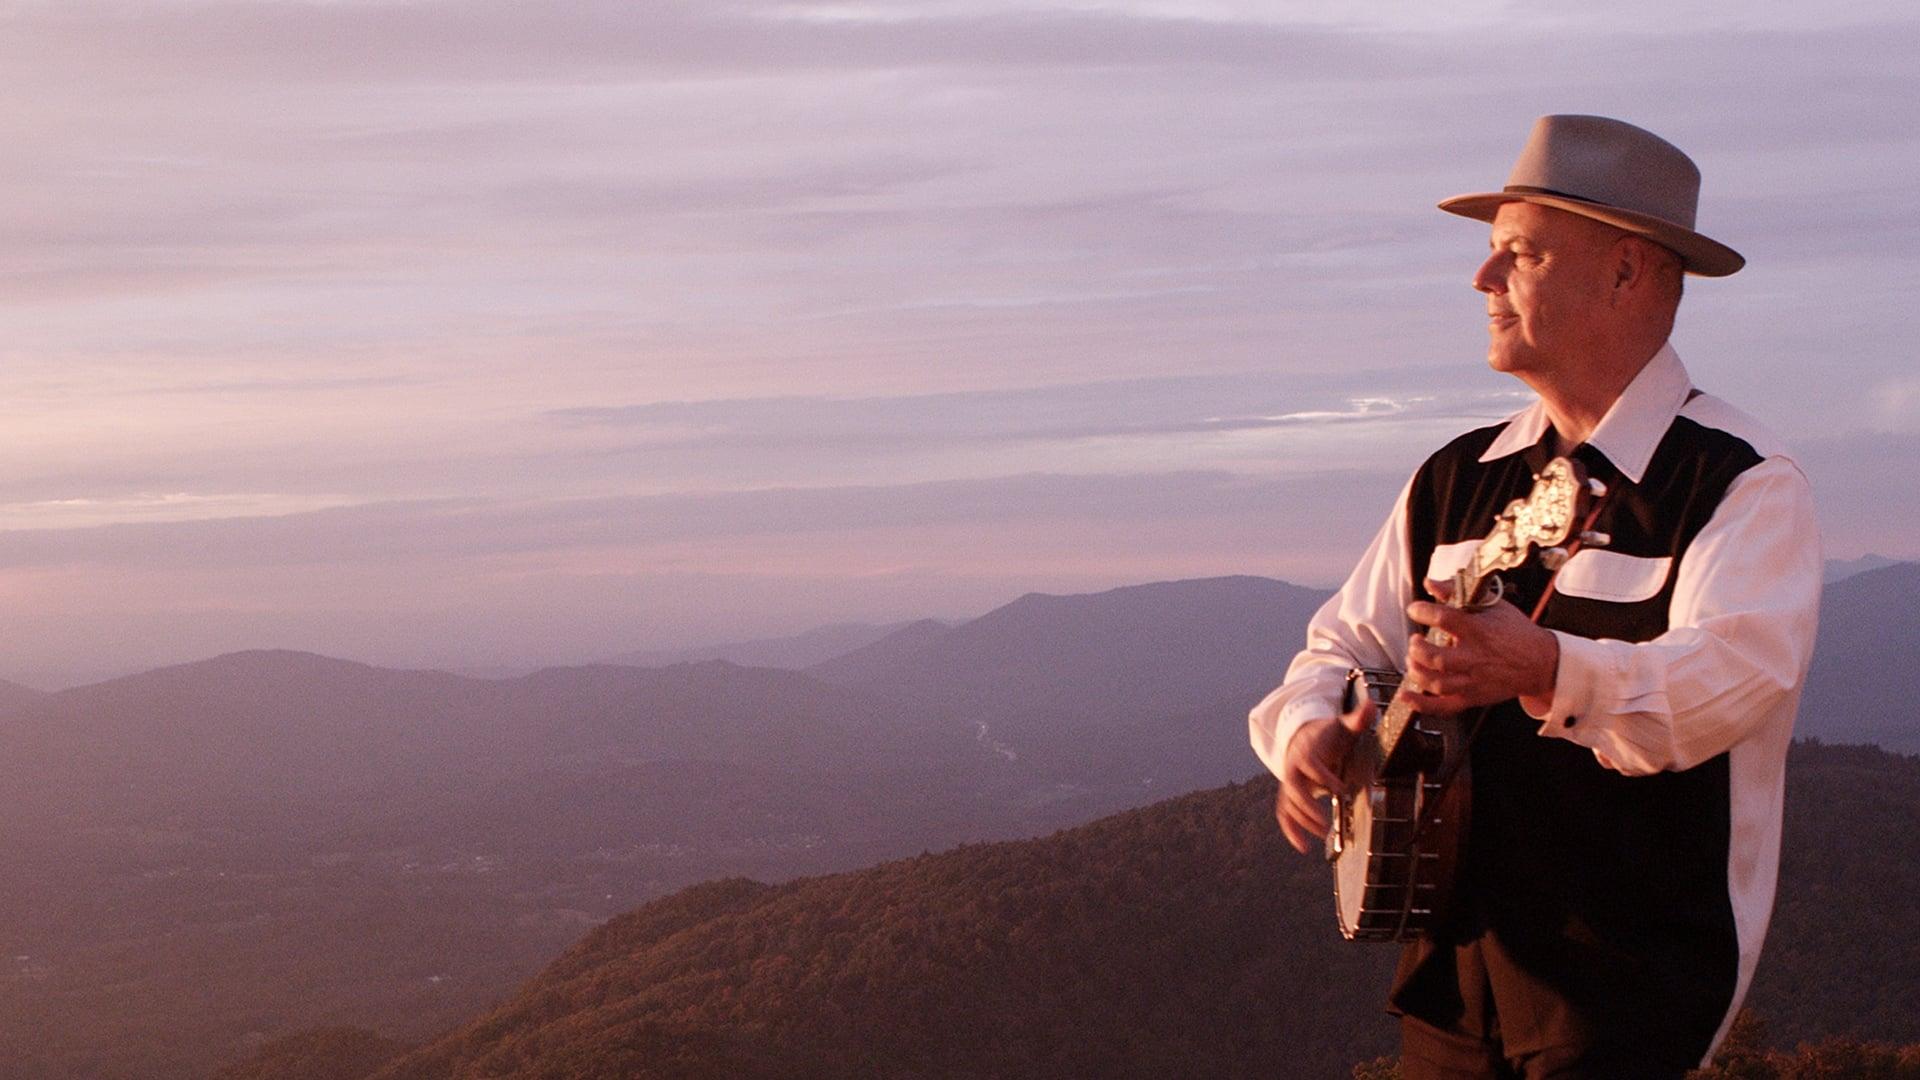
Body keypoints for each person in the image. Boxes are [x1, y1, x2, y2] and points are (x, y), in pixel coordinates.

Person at [1248, 115, 1821, 1079]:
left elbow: (1730, 680)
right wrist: (1311, 728)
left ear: (1626, 272)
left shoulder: (1742, 484)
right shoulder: (1454, 477)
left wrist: (1550, 667)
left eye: (1518, 254)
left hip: (1629, 1000)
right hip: (1447, 985)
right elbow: (1338, 650)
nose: (1481, 281)